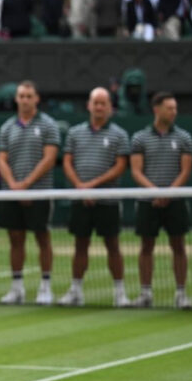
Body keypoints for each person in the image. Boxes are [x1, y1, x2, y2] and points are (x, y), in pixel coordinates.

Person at [59, 88, 132, 308]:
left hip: (107, 200)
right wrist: (81, 188)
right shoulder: (75, 133)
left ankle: (120, 293)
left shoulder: (119, 134)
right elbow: (67, 162)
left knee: (113, 245)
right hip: (81, 199)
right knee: (80, 245)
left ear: (110, 107)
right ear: (89, 106)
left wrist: (93, 186)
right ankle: (76, 291)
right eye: (95, 103)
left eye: (103, 103)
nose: (99, 107)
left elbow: (120, 166)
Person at [0, 81, 61, 305]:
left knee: (42, 237)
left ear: (36, 99)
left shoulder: (49, 125)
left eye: (28, 96)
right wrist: (14, 185)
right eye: (21, 96)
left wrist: (27, 185)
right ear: (16, 99)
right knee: (15, 239)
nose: (24, 100)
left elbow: (49, 158)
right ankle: (17, 288)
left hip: (39, 193)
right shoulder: (7, 127)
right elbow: (2, 159)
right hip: (12, 193)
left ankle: (45, 287)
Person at [129, 92, 192, 309]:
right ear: (156, 109)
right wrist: (155, 192)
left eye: (175, 108)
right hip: (148, 201)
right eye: (169, 108)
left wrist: (169, 193)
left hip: (175, 201)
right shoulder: (139, 138)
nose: (173, 112)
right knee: (146, 246)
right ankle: (145, 293)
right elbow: (136, 171)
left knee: (179, 246)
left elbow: (185, 171)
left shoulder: (184, 137)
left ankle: (181, 294)